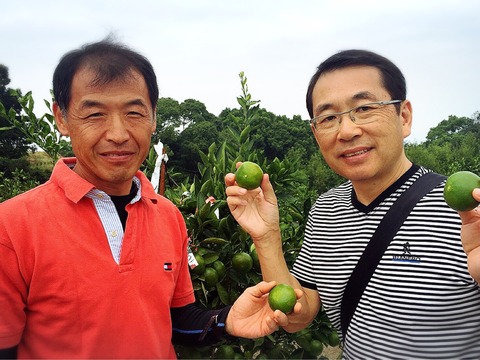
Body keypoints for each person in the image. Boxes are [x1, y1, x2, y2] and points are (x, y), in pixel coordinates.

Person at [0, 39, 301, 359]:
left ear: (154, 117)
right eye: (95, 114)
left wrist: (225, 321)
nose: (118, 134)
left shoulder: (168, 216)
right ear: (61, 118)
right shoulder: (12, 226)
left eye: (134, 113)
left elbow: (176, 319)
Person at [225, 49, 480, 359]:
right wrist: (266, 235)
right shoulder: (326, 208)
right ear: (316, 134)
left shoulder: (469, 211)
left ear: (404, 117)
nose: (347, 131)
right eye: (329, 117)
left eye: (365, 108)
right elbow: (298, 314)